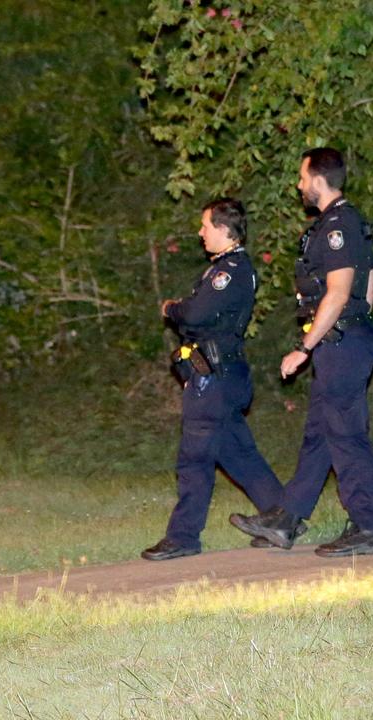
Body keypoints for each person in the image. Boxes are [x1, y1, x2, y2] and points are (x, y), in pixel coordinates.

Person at [230, 147, 373, 557]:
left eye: (301, 178)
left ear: (318, 179)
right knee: (320, 433)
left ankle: (366, 527)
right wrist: (353, 324)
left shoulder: (338, 225)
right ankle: (287, 519)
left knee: (346, 435)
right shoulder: (349, 223)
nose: (298, 186)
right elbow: (367, 287)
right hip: (344, 340)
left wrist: (304, 347)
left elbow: (337, 292)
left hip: (340, 341)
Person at [141, 198, 287, 561]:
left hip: (216, 380)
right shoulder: (225, 267)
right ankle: (285, 517)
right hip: (221, 376)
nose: (200, 232)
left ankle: (183, 536)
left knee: (194, 459)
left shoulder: (231, 269)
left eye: (205, 226)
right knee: (239, 454)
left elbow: (197, 313)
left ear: (224, 230)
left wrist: (173, 309)